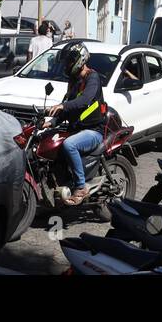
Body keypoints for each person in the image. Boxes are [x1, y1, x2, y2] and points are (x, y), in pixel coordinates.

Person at [46, 41, 105, 205]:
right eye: (66, 62)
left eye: (70, 61)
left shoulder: (92, 77)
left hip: (94, 131)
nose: (67, 65)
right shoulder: (73, 81)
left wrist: (62, 105)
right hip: (76, 129)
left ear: (80, 59)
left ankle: (81, 186)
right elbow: (67, 106)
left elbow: (85, 100)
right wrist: (52, 122)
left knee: (69, 145)